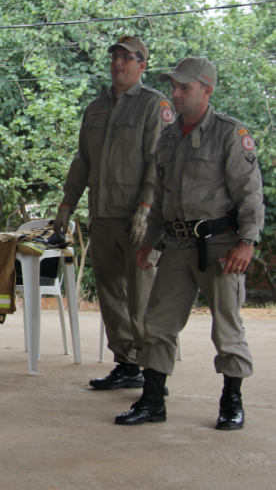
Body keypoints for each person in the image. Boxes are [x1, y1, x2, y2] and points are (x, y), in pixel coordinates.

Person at [115, 57, 263, 430]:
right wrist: (150, 242)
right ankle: (152, 401)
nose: (176, 94)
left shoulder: (229, 133)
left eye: (185, 88)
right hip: (177, 246)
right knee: (157, 325)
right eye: (174, 87)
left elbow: (250, 195)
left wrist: (247, 241)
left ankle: (232, 401)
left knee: (226, 327)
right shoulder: (169, 137)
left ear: (207, 90)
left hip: (221, 246)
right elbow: (161, 199)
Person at [54, 36, 174, 390]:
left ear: (142, 65)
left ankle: (153, 372)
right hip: (102, 216)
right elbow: (82, 162)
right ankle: (127, 365)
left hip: (139, 221)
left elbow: (159, 163)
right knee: (110, 295)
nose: (118, 63)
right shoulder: (96, 108)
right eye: (115, 57)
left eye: (127, 57)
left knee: (142, 299)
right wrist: (66, 205)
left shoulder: (154, 105)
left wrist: (146, 208)